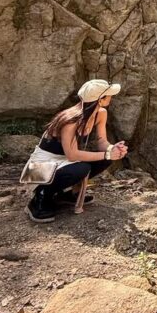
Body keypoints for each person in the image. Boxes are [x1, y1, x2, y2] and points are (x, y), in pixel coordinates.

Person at [26, 79, 128, 224]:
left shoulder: (101, 113)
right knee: (82, 167)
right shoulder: (71, 120)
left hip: (63, 162)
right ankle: (41, 196)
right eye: (109, 95)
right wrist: (106, 153)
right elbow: (72, 154)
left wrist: (112, 149)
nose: (111, 97)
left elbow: (101, 141)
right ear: (100, 99)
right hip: (39, 168)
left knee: (105, 159)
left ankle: (66, 194)